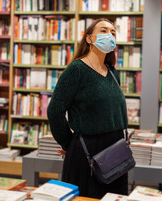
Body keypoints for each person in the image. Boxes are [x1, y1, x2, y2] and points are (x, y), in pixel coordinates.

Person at [47, 18, 128, 199]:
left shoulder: (112, 71)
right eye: (104, 30)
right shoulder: (76, 70)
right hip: (87, 153)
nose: (110, 35)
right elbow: (55, 111)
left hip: (115, 152)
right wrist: (69, 143)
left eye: (113, 32)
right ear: (89, 39)